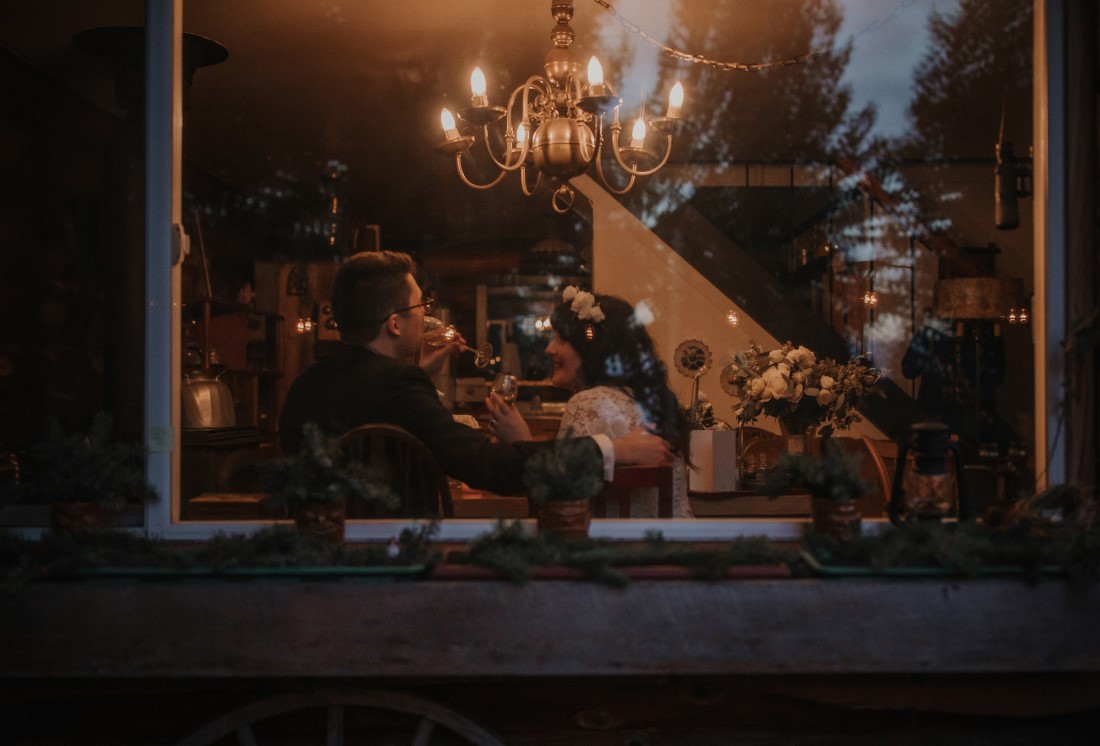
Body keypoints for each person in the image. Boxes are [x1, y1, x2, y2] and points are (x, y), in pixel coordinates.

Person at [278, 251, 671, 499]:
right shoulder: (400, 384)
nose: (426, 314)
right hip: (398, 554)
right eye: (421, 305)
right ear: (395, 324)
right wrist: (613, 450)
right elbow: (489, 467)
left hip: (315, 550)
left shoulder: (305, 384)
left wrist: (417, 374)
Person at [487, 287, 694, 518]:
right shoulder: (647, 400)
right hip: (671, 543)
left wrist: (520, 442)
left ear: (594, 348)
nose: (549, 349)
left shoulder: (589, 402)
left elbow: (560, 505)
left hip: (613, 549)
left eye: (562, 339)